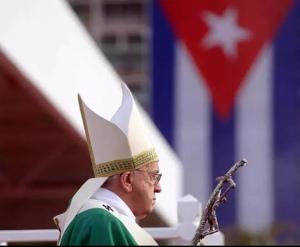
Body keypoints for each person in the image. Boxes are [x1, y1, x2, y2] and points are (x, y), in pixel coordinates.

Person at [53, 82, 162, 245]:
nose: (158, 188)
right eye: (154, 177)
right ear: (127, 180)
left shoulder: (102, 219)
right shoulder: (101, 222)